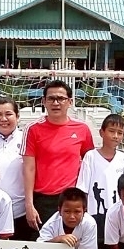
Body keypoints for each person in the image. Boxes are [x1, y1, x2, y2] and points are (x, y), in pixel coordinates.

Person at [75, 113, 124, 249]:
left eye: (120, 133)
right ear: (102, 132)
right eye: (112, 131)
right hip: (95, 220)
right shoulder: (90, 156)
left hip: (116, 220)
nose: (115, 136)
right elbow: (82, 188)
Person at [23, 81, 95, 232]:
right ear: (44, 101)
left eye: (61, 98)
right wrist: (29, 204)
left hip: (71, 200)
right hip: (42, 200)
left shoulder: (82, 129)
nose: (56, 103)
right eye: (51, 98)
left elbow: (91, 163)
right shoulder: (33, 129)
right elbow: (28, 168)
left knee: (71, 248)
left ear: (70, 102)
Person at [0, 97, 30, 238]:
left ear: (17, 116)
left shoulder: (28, 139)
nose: (3, 119)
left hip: (21, 213)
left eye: (8, 114)